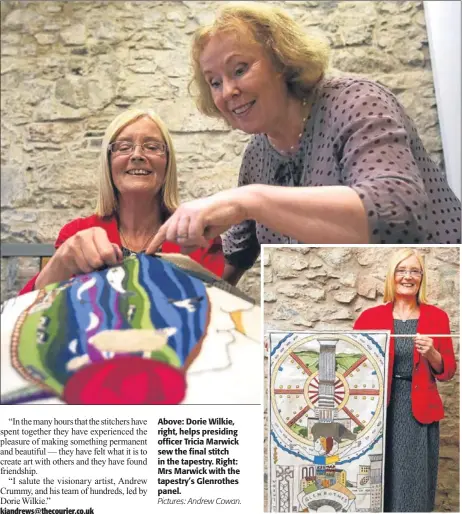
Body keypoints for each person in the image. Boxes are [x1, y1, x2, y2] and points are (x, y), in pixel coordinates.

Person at [145, 2, 461, 285]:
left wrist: (249, 200)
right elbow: (234, 259)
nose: (227, 91)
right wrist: (163, 279)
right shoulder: (258, 153)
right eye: (214, 82)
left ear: (282, 60)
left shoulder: (356, 100)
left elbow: (396, 216)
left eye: (240, 70)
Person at [19, 108, 224, 294]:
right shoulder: (77, 234)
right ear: (108, 163)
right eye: (124, 147)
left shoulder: (198, 236)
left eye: (152, 147)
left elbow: (216, 314)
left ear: (168, 163)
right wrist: (61, 263)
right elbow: (27, 311)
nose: (137, 155)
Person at [353, 249, 456, 512]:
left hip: (418, 411)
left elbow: (447, 372)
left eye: (414, 271)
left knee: (414, 481)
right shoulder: (369, 318)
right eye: (402, 270)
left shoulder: (437, 317)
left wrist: (432, 353)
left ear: (422, 278)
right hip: (379, 413)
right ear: (392, 275)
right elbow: (350, 361)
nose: (407, 277)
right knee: (378, 480)